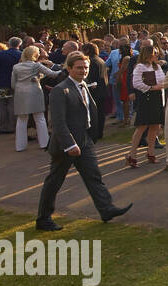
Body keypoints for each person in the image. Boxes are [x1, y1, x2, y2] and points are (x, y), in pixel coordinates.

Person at [36, 51, 132, 231]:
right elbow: (58, 122)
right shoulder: (60, 89)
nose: (83, 71)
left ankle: (107, 209)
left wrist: (90, 137)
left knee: (94, 176)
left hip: (85, 140)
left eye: (85, 68)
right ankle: (43, 219)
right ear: (69, 68)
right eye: (79, 68)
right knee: (54, 181)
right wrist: (70, 144)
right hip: (67, 145)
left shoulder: (84, 85)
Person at [12, 46, 59, 152]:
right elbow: (53, 74)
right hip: (34, 92)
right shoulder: (37, 65)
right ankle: (44, 143)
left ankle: (20, 146)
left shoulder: (16, 67)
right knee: (40, 118)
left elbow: (13, 84)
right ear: (35, 54)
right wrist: (62, 69)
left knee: (21, 120)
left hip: (20, 93)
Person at [126, 44, 166, 167]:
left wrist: (161, 85)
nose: (157, 54)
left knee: (155, 126)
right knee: (142, 126)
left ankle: (150, 152)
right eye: (155, 52)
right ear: (148, 54)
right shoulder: (140, 66)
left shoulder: (157, 66)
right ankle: (132, 155)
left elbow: (163, 80)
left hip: (157, 98)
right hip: (146, 98)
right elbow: (136, 83)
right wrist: (152, 87)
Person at [0, 36, 23, 134]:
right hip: (16, 84)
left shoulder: (0, 55)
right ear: (19, 44)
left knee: (1, 105)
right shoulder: (21, 55)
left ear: (9, 44)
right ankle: (13, 126)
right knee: (12, 105)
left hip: (1, 83)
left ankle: (3, 127)